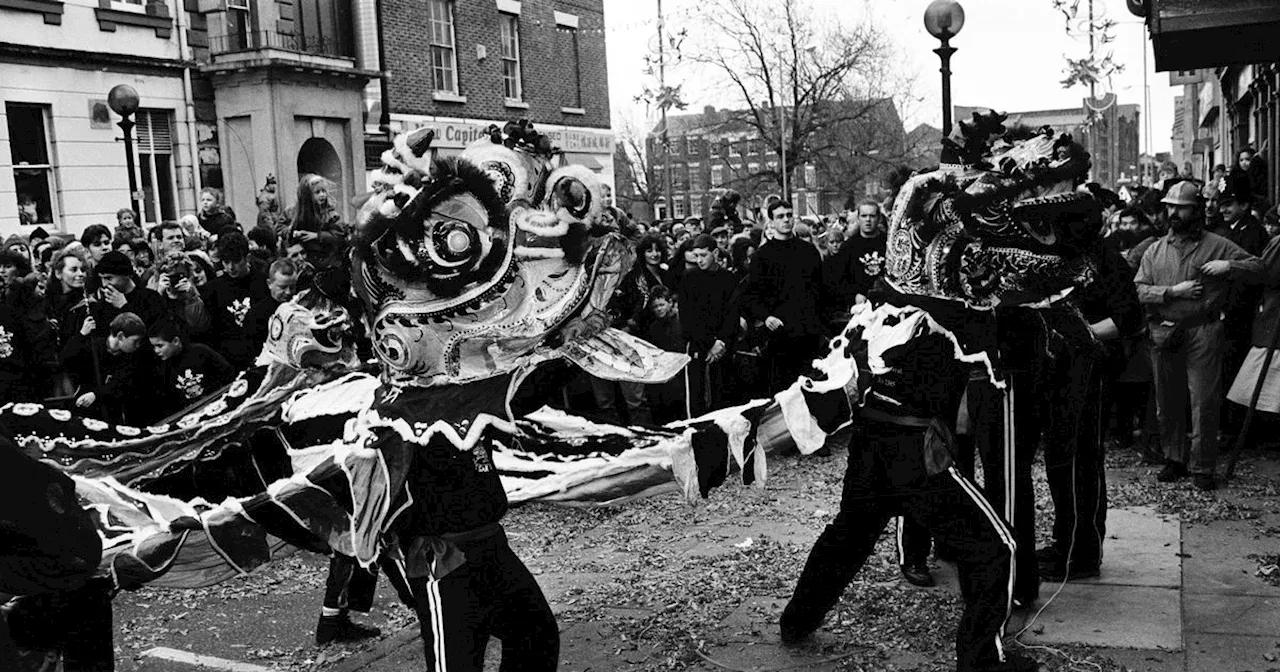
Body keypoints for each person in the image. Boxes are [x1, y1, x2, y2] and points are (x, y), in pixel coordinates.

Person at [1135, 180, 1263, 491]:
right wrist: (1169, 292)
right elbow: (1138, 290)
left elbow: (1258, 266)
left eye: (1181, 207)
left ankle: (1202, 466)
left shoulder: (1217, 244)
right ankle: (1174, 459)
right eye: (1170, 207)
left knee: (1204, 401)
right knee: (1168, 400)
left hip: (1203, 330)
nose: (1174, 213)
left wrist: (1228, 265)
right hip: (1164, 331)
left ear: (1197, 210)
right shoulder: (1154, 250)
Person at [740, 200, 825, 394]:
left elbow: (820, 290)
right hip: (780, 336)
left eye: (789, 215)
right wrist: (766, 317)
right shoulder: (762, 256)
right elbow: (751, 296)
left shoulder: (808, 251)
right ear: (770, 222)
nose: (786, 220)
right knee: (784, 394)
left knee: (812, 391)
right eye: (780, 216)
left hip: (808, 334)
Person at [676, 234, 739, 417]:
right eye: (696, 256)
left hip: (723, 346)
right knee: (697, 397)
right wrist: (710, 342)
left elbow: (732, 314)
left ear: (715, 253)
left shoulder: (728, 278)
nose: (699, 260)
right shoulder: (689, 278)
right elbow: (688, 317)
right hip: (698, 344)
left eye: (704, 255)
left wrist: (722, 342)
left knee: (723, 396)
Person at [59, 311, 151, 424]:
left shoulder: (131, 357)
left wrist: (96, 394)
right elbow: (65, 360)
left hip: (112, 414)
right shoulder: (93, 346)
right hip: (85, 411)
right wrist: (81, 334)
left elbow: (121, 383)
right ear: (120, 336)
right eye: (135, 341)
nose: (138, 346)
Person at [206, 231, 270, 368]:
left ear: (247, 258)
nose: (231, 267)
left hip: (262, 355)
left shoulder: (263, 282)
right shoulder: (214, 288)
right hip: (230, 360)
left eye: (236, 261)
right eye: (226, 261)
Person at [147, 317, 236, 416]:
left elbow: (228, 373)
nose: (156, 351)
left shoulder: (201, 352)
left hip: (218, 407)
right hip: (191, 416)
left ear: (176, 341)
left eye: (160, 346)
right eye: (153, 346)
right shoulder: (163, 368)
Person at [89, 250, 169, 329]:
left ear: (126, 275)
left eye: (108, 278)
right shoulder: (102, 306)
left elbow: (150, 331)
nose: (104, 284)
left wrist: (124, 306)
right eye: (102, 279)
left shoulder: (151, 298)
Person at [285, 174, 346, 268]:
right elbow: (280, 227)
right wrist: (292, 232)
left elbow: (338, 235)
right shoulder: (293, 212)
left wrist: (317, 236)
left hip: (326, 258)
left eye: (324, 191)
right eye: (317, 192)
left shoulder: (330, 214)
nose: (322, 195)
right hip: (303, 258)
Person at [243, 258, 300, 355]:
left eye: (292, 287)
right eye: (282, 287)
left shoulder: (301, 307)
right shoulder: (256, 315)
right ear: (269, 284)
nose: (288, 292)